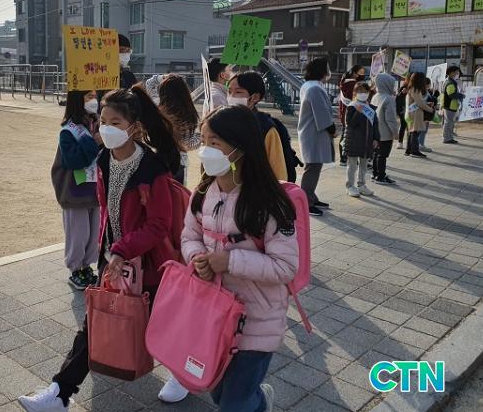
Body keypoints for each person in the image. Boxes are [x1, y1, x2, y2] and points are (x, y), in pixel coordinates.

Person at [19, 86, 182, 412]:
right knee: (93, 325)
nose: (106, 129)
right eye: (103, 121)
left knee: (163, 326)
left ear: (134, 127)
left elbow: (159, 224)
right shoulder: (104, 158)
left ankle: (186, 373)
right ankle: (60, 393)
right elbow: (106, 207)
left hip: (149, 267)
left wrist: (122, 248)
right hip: (113, 261)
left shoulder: (153, 169)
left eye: (115, 123)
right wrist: (108, 250)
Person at [181, 105, 298, 412]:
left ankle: (253, 400)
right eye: (203, 141)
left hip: (257, 321)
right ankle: (260, 402)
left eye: (214, 142)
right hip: (214, 315)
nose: (205, 150)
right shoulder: (202, 194)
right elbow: (189, 236)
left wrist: (230, 262)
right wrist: (197, 258)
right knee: (219, 392)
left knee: (233, 404)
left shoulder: (270, 203)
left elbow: (285, 267)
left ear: (240, 147)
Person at [51, 90, 102, 290]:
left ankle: (86, 266)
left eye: (94, 96)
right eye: (88, 96)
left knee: (93, 233)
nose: (93, 100)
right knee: (78, 234)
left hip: (95, 191)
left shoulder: (98, 123)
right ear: (77, 100)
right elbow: (74, 161)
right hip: (75, 193)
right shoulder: (69, 131)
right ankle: (75, 269)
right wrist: (94, 141)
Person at [226, 71, 293, 182]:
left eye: (238, 92)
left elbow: (279, 172)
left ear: (255, 97)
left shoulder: (265, 128)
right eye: (229, 92)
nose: (231, 97)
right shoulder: (224, 123)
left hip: (257, 188)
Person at [297, 57, 335, 217]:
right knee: (312, 168)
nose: (329, 71)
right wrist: (332, 129)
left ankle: (311, 197)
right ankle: (306, 202)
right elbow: (322, 113)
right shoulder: (314, 88)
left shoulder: (309, 85)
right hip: (314, 133)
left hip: (311, 132)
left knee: (314, 166)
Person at [157, 75, 200, 186]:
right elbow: (190, 143)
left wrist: (161, 77)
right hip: (180, 161)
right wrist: (202, 137)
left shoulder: (158, 111)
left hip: (159, 160)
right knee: (177, 193)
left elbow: (149, 84)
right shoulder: (188, 114)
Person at [344, 82, 379, 197]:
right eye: (359, 91)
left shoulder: (371, 108)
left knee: (364, 165)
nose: (363, 94)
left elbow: (375, 124)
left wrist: (376, 138)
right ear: (355, 93)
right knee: (352, 166)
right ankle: (350, 186)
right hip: (353, 141)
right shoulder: (352, 106)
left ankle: (361, 185)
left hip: (367, 142)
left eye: (365, 91)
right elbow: (350, 124)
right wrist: (358, 113)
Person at [371, 73, 398, 184]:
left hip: (375, 132)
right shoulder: (389, 98)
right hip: (385, 133)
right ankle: (381, 176)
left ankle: (375, 174)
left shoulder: (375, 97)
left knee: (376, 154)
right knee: (383, 155)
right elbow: (390, 119)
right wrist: (395, 132)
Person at [338, 65, 366, 166]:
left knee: (345, 134)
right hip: (354, 112)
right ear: (354, 73)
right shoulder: (354, 84)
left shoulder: (343, 82)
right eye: (360, 72)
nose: (361, 74)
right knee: (351, 136)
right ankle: (347, 158)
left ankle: (343, 158)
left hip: (344, 112)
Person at [406, 72, 434, 158]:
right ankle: (414, 151)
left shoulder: (412, 88)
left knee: (412, 132)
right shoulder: (416, 89)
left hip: (412, 112)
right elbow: (420, 103)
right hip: (415, 113)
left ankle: (409, 150)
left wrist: (427, 104)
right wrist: (430, 109)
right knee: (415, 132)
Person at [441, 65, 464, 144]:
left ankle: (449, 137)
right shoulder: (450, 82)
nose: (457, 74)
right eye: (456, 72)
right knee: (449, 122)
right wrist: (460, 95)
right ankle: (447, 138)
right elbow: (451, 94)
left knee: (449, 122)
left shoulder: (450, 81)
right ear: (451, 72)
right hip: (449, 105)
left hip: (450, 105)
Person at [418, 77, 437, 152]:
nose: (430, 85)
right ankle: (420, 145)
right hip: (424, 113)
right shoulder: (423, 92)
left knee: (423, 130)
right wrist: (430, 102)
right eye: (429, 83)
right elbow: (421, 102)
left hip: (425, 113)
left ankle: (420, 144)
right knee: (422, 130)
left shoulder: (425, 91)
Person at [395, 77, 409, 149]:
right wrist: (402, 93)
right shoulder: (403, 88)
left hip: (411, 110)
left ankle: (409, 144)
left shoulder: (414, 88)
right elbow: (398, 99)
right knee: (403, 125)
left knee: (410, 127)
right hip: (403, 110)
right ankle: (400, 142)